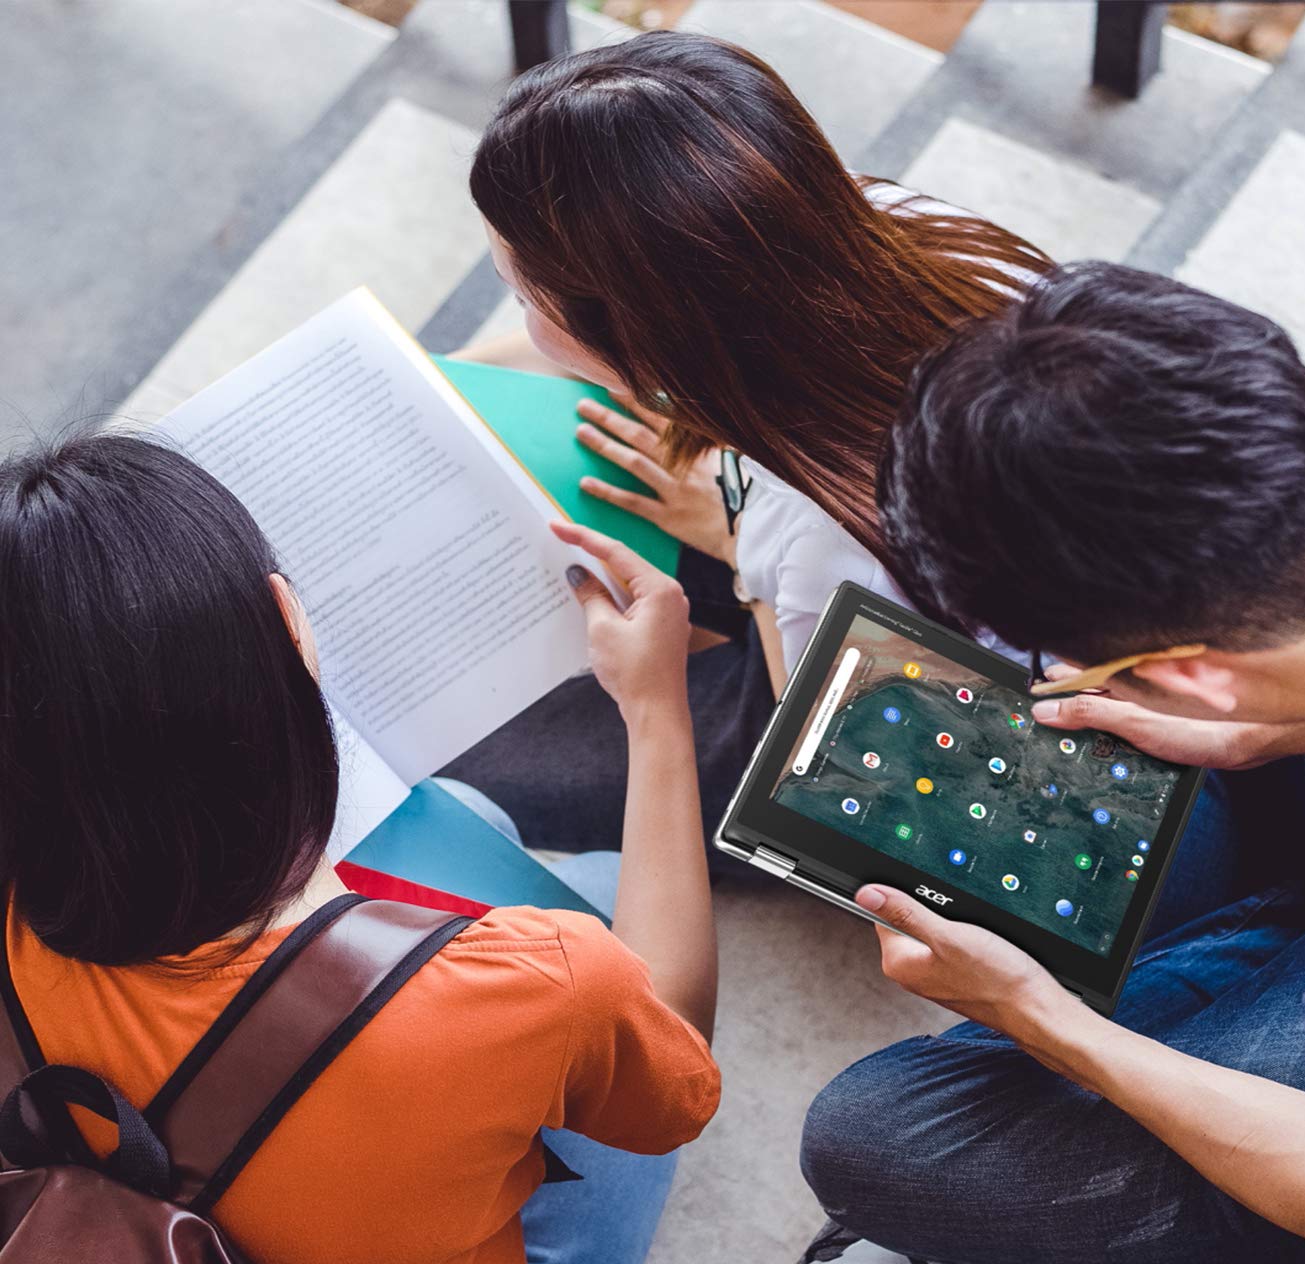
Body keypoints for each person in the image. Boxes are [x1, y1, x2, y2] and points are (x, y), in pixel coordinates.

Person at [697, 264, 1305, 1264]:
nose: (1069, 681)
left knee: (875, 1137)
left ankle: (1215, 983)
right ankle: (1250, 956)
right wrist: (1280, 727)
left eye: (1081, 662)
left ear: (1184, 670)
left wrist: (1048, 1024)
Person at [0, 433, 720, 1264]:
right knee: (612, 897)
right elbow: (677, 1083)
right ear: (293, 631)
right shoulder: (533, 983)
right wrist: (656, 711)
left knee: (471, 818)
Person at [444, 29, 1049, 859]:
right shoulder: (896, 220)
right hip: (919, 550)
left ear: (648, 336)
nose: (522, 323)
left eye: (522, 295)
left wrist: (736, 541)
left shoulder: (816, 551)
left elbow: (826, 770)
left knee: (474, 762)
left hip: (907, 706)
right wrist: (423, 374)